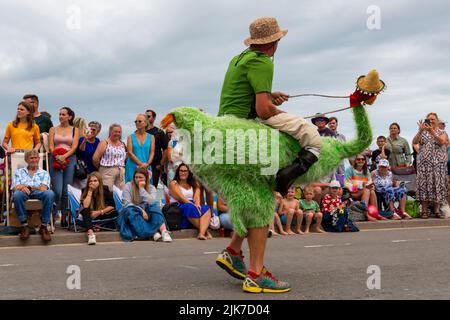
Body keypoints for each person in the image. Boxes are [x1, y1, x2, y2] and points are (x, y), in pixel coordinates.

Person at [12, 150, 55, 241]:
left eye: (36, 158)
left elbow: (44, 188)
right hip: (23, 192)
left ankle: (43, 226)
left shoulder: (44, 173)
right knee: (17, 195)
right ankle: (25, 226)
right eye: (31, 158)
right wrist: (22, 188)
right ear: (26, 160)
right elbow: (15, 187)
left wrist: (27, 186)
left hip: (38, 193)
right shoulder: (19, 172)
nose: (34, 160)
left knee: (50, 193)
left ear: (39, 159)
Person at [120, 168, 172, 242]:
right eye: (136, 177)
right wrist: (140, 210)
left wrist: (142, 189)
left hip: (147, 212)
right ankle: (153, 232)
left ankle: (164, 232)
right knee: (131, 211)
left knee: (154, 207)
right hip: (132, 211)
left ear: (146, 178)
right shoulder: (128, 186)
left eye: (140, 177)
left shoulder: (152, 188)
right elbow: (126, 203)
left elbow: (151, 201)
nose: (138, 179)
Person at [412, 113, 448, 218]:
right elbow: (414, 142)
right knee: (424, 186)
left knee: (437, 185)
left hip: (438, 163)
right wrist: (420, 131)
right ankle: (424, 211)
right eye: (428, 119)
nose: (430, 121)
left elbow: (441, 141)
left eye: (432, 119)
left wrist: (431, 131)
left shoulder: (442, 132)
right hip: (424, 164)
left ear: (437, 120)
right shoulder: (422, 132)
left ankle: (436, 211)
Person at [48, 107, 79, 227]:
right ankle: (53, 214)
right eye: (60, 114)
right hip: (55, 158)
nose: (61, 116)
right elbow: (51, 146)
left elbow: (74, 146)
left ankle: (64, 217)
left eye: (63, 114)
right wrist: (57, 156)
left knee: (66, 190)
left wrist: (64, 156)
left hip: (69, 159)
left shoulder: (75, 130)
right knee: (57, 190)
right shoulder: (53, 129)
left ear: (70, 117)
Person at [168, 163, 212, 240]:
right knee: (189, 206)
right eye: (181, 171)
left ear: (189, 173)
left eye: (185, 171)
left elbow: (197, 197)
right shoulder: (174, 183)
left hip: (192, 209)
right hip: (180, 207)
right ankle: (205, 232)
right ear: (178, 172)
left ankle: (201, 234)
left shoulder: (194, 184)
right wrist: (194, 205)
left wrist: (197, 205)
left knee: (206, 208)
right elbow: (182, 198)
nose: (183, 173)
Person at [80, 172, 117, 245]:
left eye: (95, 181)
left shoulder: (105, 189)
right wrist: (90, 191)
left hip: (101, 213)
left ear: (99, 182)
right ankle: (91, 233)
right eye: (90, 181)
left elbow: (112, 206)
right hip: (90, 214)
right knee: (84, 210)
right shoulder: (85, 189)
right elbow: (85, 206)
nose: (92, 183)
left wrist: (99, 212)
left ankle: (98, 225)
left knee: (115, 212)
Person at [93, 124, 127, 191]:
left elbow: (125, 157)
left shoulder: (122, 144)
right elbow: (95, 158)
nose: (117, 133)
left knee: (120, 194)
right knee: (107, 192)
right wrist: (101, 168)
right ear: (110, 132)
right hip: (107, 171)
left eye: (119, 132)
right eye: (115, 131)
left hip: (120, 171)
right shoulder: (104, 142)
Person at [344, 153, 378, 220]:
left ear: (365, 161)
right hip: (353, 192)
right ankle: (365, 214)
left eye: (363, 159)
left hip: (364, 191)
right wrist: (360, 185)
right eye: (358, 159)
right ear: (355, 161)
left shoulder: (366, 170)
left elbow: (369, 181)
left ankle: (375, 213)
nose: (361, 161)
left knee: (372, 192)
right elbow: (346, 183)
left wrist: (370, 186)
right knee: (367, 190)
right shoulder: (349, 170)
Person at [125, 114, 155, 183]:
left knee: (146, 189)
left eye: (139, 121)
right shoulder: (130, 137)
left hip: (146, 166)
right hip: (132, 166)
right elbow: (130, 152)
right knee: (132, 190)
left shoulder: (151, 137)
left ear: (145, 123)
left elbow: (152, 152)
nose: (137, 123)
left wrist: (147, 164)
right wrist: (140, 164)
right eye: (136, 121)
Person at [145, 109, 168, 188]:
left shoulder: (159, 132)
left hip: (155, 166)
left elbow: (165, 149)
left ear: (154, 118)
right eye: (145, 116)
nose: (146, 118)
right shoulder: (139, 132)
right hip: (142, 164)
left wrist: (161, 164)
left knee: (152, 188)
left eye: (148, 116)